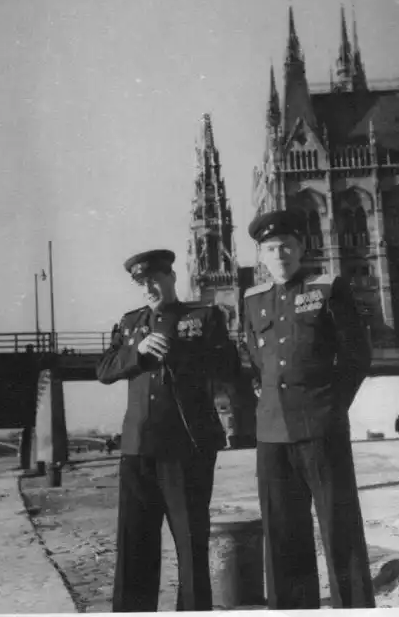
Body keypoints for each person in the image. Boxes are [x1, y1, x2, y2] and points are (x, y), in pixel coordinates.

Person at [244, 210, 375, 610]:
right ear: (261, 255)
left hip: (321, 427)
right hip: (272, 433)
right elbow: (255, 361)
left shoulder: (328, 288)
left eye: (286, 245)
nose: (279, 254)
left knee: (339, 528)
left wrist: (332, 407)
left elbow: (356, 356)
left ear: (300, 248)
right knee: (283, 535)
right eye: (270, 248)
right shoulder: (253, 300)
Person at [96, 249, 240, 612]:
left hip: (186, 449)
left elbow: (228, 367)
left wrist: (181, 353)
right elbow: (105, 369)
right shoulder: (130, 323)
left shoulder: (204, 317)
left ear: (172, 277)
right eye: (142, 283)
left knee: (191, 546)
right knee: (134, 547)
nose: (149, 288)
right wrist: (138, 352)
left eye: (155, 280)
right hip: (137, 449)